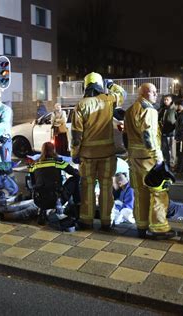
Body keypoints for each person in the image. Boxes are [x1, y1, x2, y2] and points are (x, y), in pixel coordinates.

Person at [71, 72, 126, 230]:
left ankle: (86, 221)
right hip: (107, 155)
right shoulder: (109, 101)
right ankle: (106, 221)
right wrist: (111, 85)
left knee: (87, 187)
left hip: (87, 156)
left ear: (86, 86)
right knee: (106, 187)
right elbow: (122, 93)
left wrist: (75, 154)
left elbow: (76, 135)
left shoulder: (81, 105)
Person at [125, 83, 176, 239]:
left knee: (140, 193)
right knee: (159, 191)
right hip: (149, 159)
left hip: (134, 157)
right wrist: (158, 158)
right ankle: (159, 228)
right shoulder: (150, 110)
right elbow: (148, 136)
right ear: (145, 93)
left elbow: (126, 136)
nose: (156, 95)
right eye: (153, 92)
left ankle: (141, 226)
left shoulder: (131, 110)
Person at [28, 142, 80, 225]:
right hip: (56, 200)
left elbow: (32, 183)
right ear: (53, 150)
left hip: (38, 200)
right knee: (74, 179)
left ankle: (43, 211)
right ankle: (77, 206)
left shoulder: (34, 164)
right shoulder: (57, 162)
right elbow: (74, 173)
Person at [158, 94, 177, 167]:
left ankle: (172, 163)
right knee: (165, 149)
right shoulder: (162, 109)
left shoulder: (174, 109)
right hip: (164, 132)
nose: (165, 101)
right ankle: (166, 163)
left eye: (167, 100)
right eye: (164, 100)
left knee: (172, 150)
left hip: (172, 132)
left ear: (171, 100)